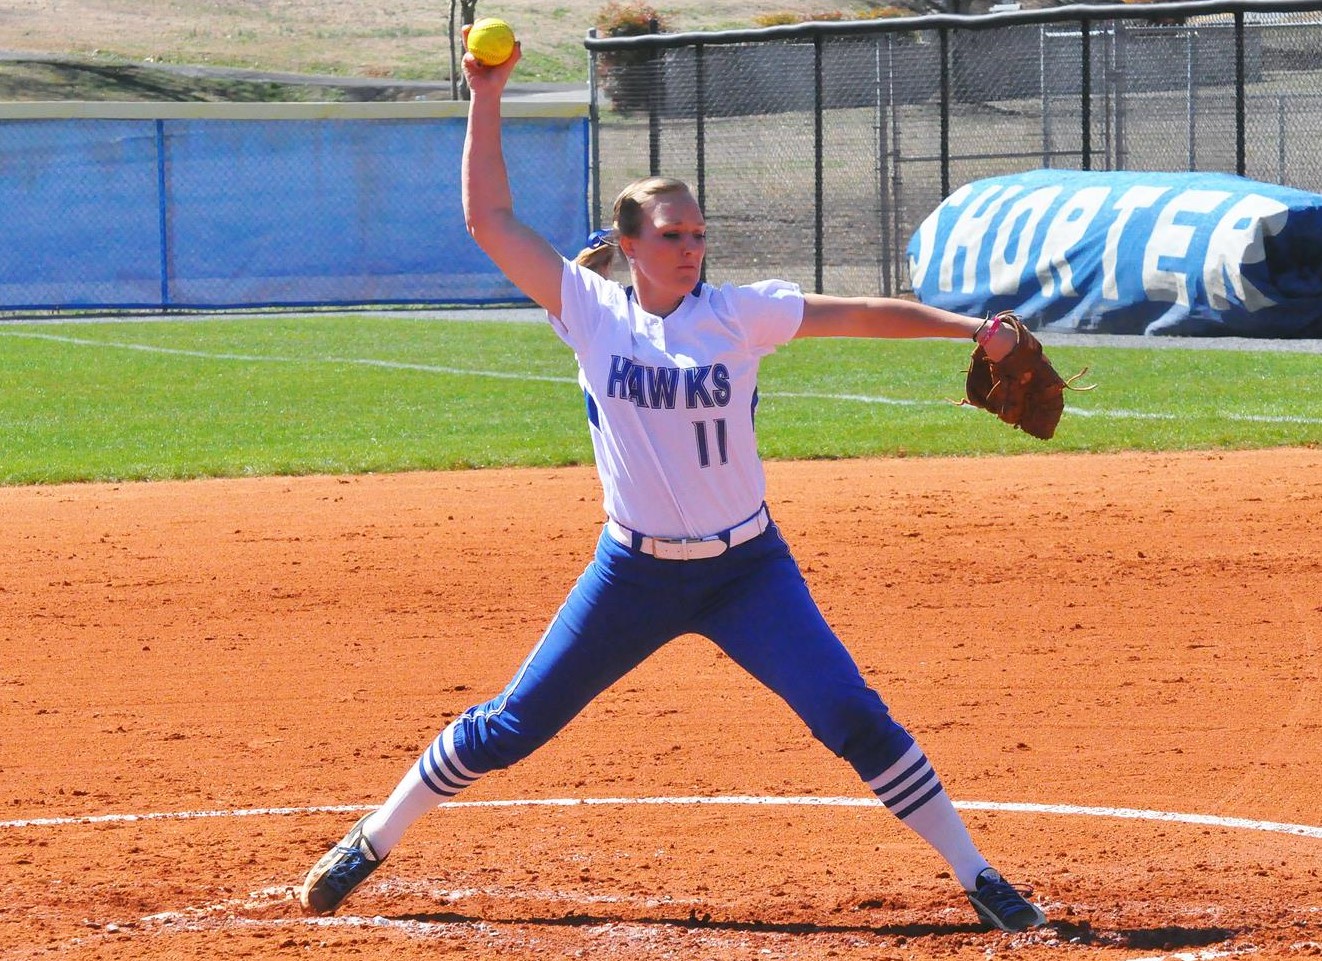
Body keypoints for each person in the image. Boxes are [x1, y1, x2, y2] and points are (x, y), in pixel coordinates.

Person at [299, 32, 1049, 935]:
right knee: (513, 724)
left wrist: (971, 328)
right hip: (632, 575)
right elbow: (489, 221)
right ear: (627, 243)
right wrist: (486, 94)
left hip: (748, 570)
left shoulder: (739, 314)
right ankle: (372, 839)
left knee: (852, 714)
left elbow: (855, 312)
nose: (691, 247)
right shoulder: (590, 312)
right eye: (671, 234)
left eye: (698, 233)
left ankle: (978, 874)